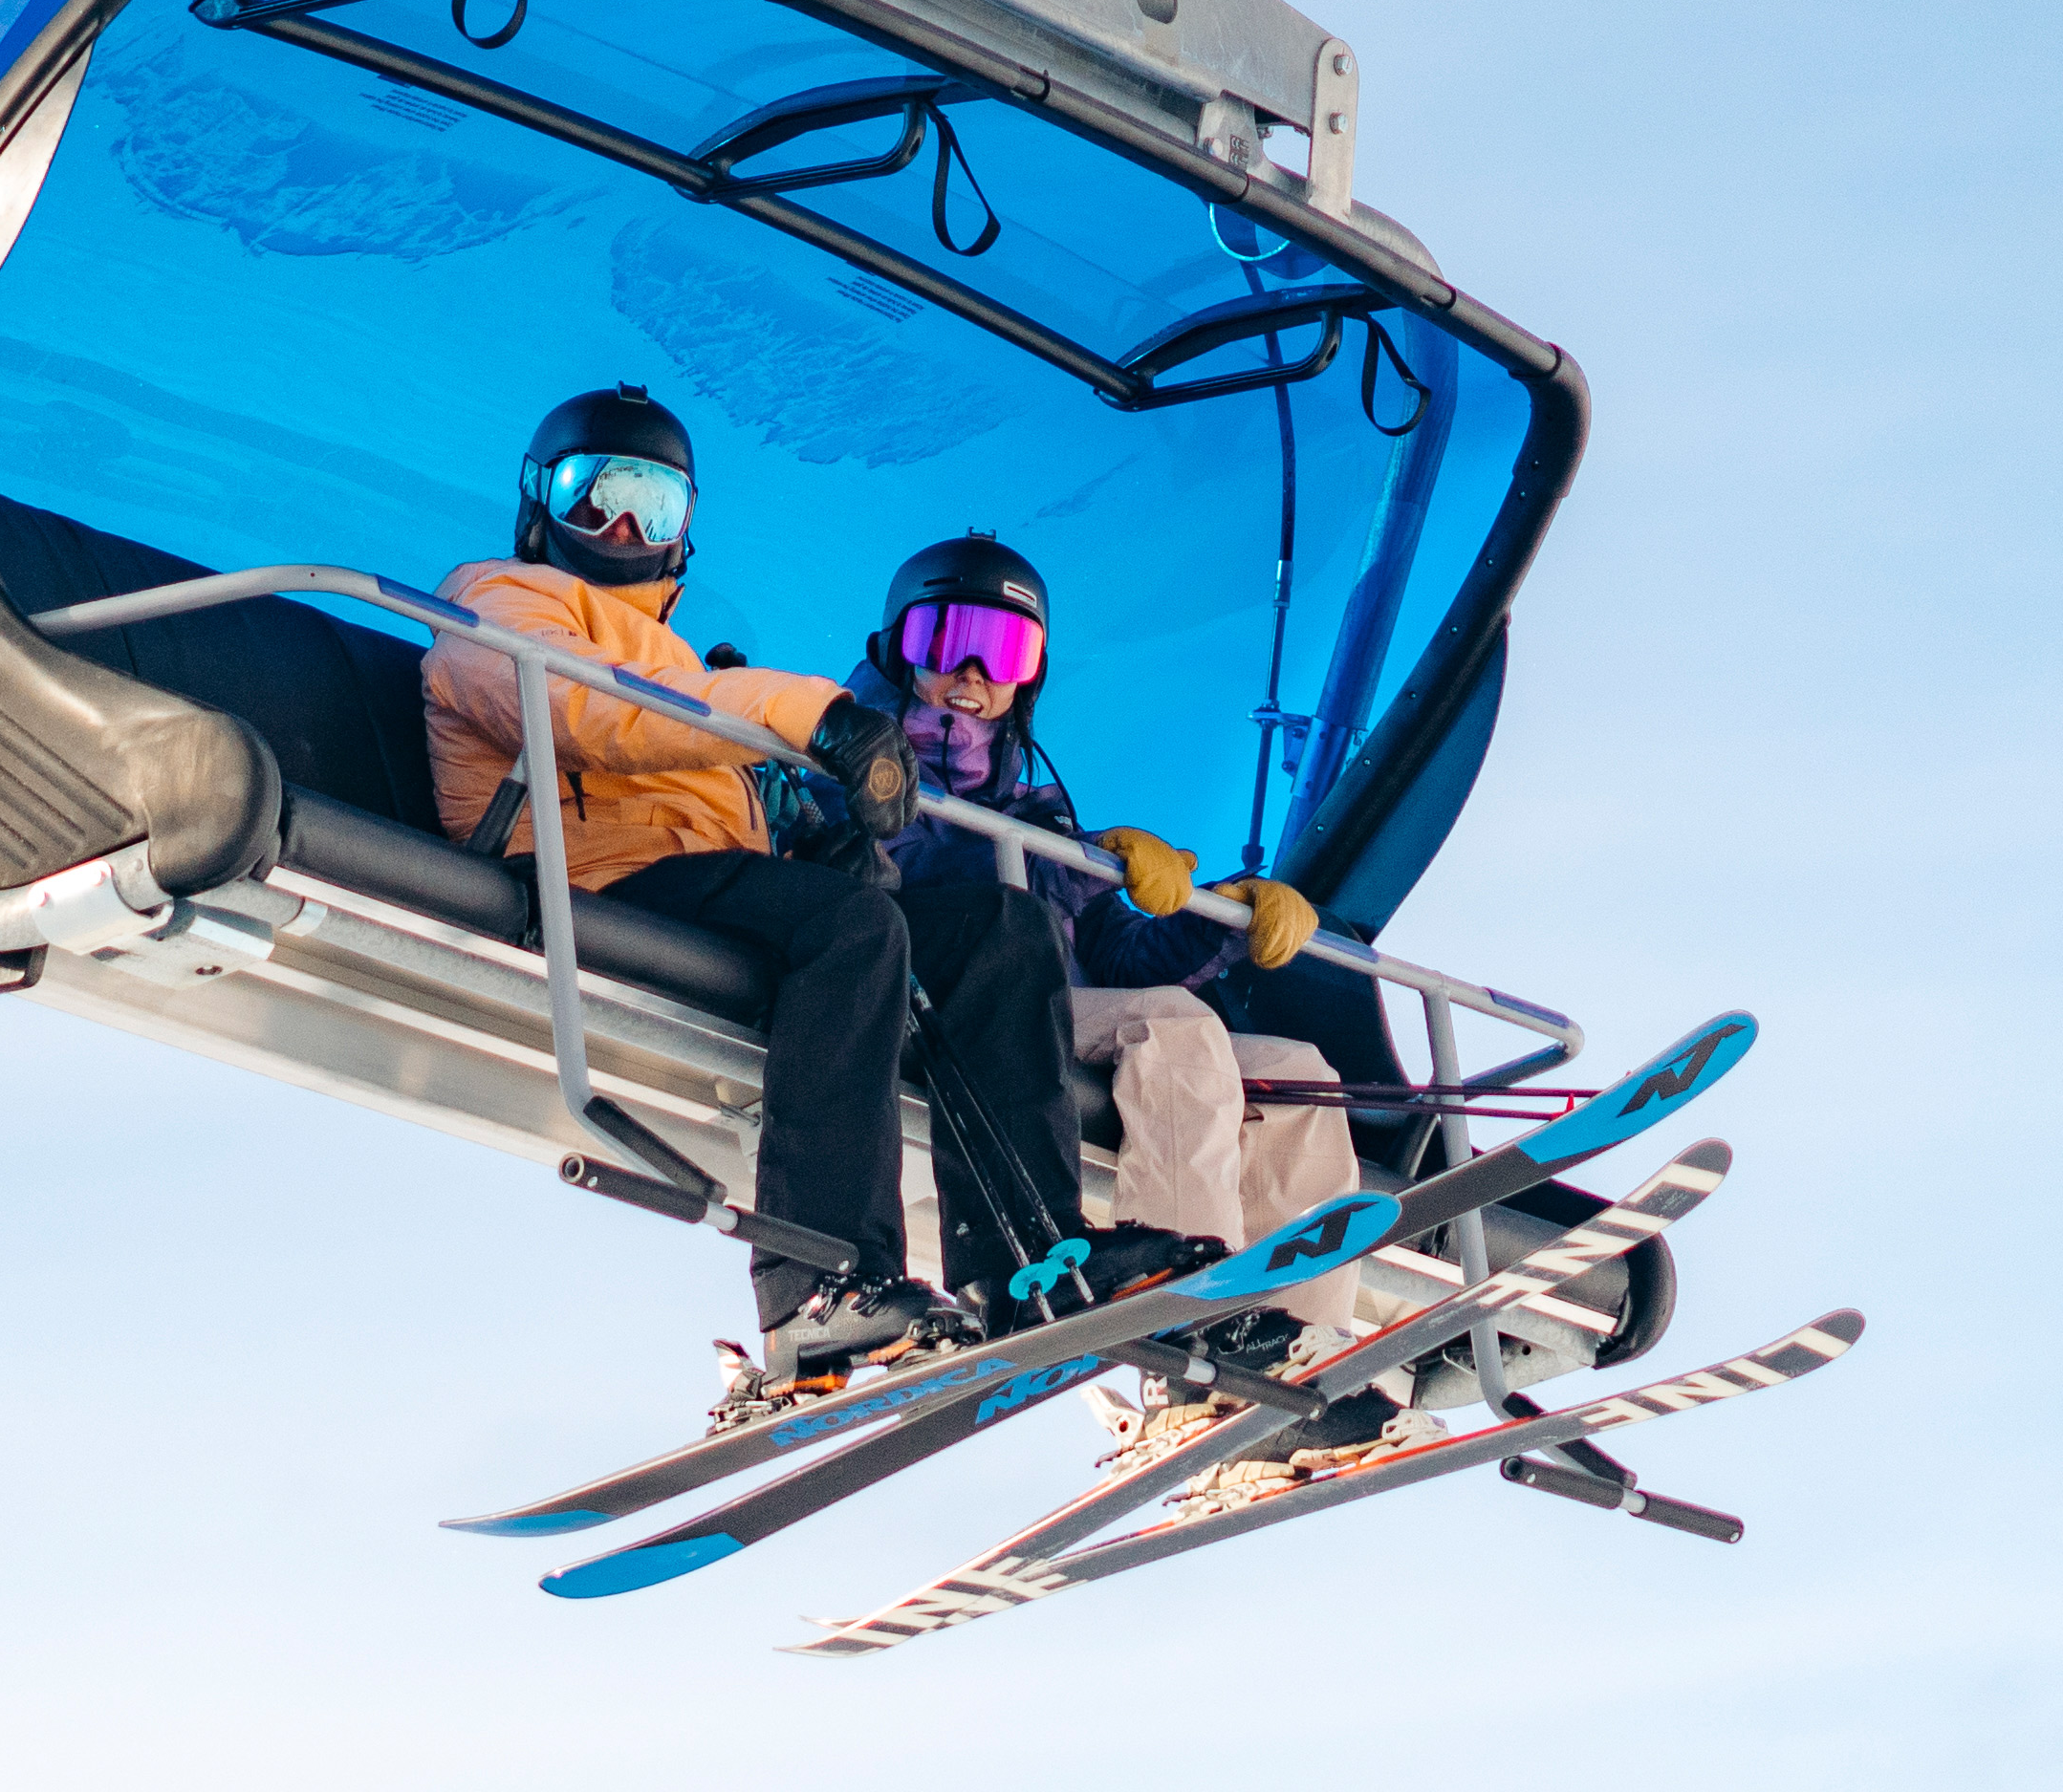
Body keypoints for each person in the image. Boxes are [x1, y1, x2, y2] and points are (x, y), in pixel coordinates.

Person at [419, 387, 1082, 1407]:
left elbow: (687, 743)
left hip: (694, 870)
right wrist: (816, 716)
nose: (624, 527)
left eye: (654, 504)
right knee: (850, 932)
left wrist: (814, 821)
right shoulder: (494, 602)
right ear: (537, 502)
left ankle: (1030, 1261)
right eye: (593, 495)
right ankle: (817, 1283)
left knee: (1004, 926)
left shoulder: (679, 658)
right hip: (592, 870)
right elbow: (589, 713)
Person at [846, 531, 1430, 1488]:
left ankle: (1300, 1341)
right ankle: (1188, 1335)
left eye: (1005, 652)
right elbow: (888, 883)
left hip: (1061, 1009)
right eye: (949, 636)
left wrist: (1223, 918)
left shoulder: (1032, 799)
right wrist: (1056, 864)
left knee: (1299, 1078)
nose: (970, 674)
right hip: (952, 1008)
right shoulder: (859, 756)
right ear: (899, 643)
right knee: (1173, 1029)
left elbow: (1113, 954)